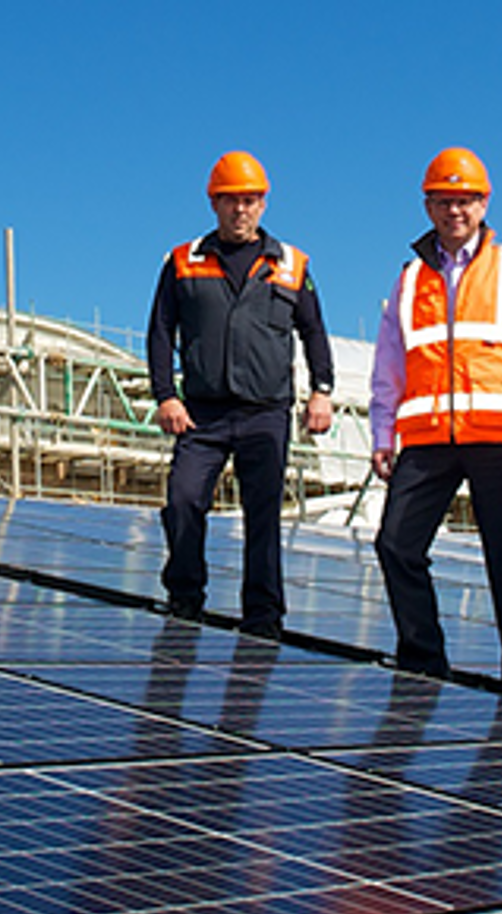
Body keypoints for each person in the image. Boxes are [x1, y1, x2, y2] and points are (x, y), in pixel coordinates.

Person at [369, 146, 502, 702]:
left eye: (466, 200)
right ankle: (423, 661)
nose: (456, 210)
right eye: (444, 201)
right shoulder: (409, 279)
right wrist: (383, 435)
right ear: (427, 206)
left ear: (484, 204)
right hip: (428, 439)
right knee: (395, 545)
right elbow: (389, 364)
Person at [146, 150, 335, 640]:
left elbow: (314, 331)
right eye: (230, 201)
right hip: (202, 415)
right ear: (214, 203)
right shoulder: (183, 261)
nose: (240, 210)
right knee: (183, 500)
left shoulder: (291, 264)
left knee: (264, 513)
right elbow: (161, 333)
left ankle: (263, 617)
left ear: (263, 203)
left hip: (266, 413)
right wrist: (166, 395)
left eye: (249, 200)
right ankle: (185, 598)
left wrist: (322, 390)